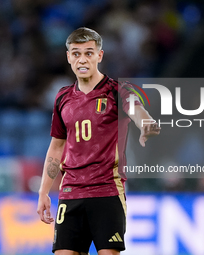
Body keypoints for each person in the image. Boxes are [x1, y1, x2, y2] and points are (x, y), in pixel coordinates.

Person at [37, 27, 160, 255]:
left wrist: (146, 125)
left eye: (88, 53)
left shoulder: (118, 91)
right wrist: (43, 192)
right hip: (70, 193)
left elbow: (138, 112)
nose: (82, 59)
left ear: (99, 56)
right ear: (68, 57)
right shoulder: (63, 97)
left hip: (107, 191)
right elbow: (56, 147)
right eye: (76, 53)